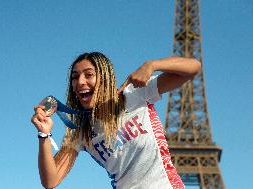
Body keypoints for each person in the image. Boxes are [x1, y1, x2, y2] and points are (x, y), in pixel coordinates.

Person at [31, 52, 201, 189]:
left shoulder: (135, 94)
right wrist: (43, 134)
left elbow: (193, 68)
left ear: (105, 78)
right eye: (75, 77)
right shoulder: (79, 131)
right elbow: (50, 181)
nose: (80, 82)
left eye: (89, 74)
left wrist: (153, 65)